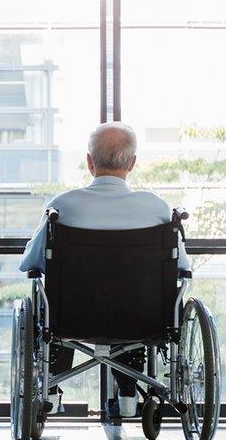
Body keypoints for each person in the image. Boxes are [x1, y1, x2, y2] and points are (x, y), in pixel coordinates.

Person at [19, 121, 190, 419]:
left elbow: (31, 264)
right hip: (144, 320)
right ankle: (127, 393)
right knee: (135, 303)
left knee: (49, 303)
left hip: (71, 320)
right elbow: (183, 269)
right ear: (133, 163)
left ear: (89, 161)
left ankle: (50, 390)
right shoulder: (158, 209)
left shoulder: (62, 208)